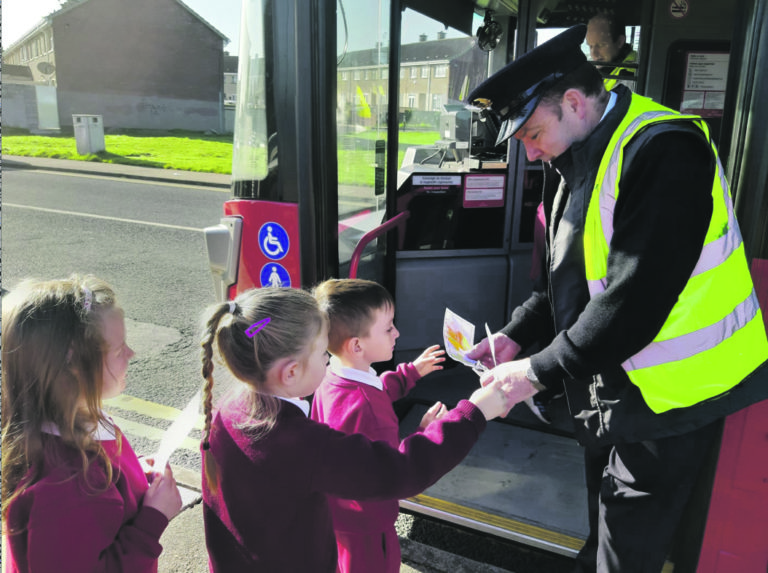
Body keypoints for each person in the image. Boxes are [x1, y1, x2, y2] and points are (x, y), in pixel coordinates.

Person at [465, 25, 768, 573]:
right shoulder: (578, 154)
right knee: (605, 522)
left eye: (531, 133)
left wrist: (533, 373)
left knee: (629, 545)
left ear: (574, 103)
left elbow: (634, 301)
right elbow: (568, 282)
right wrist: (515, 335)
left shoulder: (666, 151)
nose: (529, 152)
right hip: (612, 382)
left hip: (673, 394)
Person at [199, 286, 515, 573]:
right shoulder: (304, 445)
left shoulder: (227, 411)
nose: (330, 362)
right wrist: (475, 412)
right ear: (291, 371)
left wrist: (404, 378)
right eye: (324, 353)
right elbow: (401, 471)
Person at [1, 275, 183, 572]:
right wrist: (154, 518)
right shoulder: (68, 488)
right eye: (120, 347)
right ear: (73, 364)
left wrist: (133, 479)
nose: (131, 354)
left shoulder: (74, 422)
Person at [310, 278, 447, 573]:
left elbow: (375, 389)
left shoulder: (331, 377)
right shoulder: (370, 412)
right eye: (388, 328)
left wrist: (409, 373)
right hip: (369, 531)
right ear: (357, 345)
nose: (397, 332)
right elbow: (396, 474)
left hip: (336, 517)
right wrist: (426, 432)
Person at [586, 13, 637, 90]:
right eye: (590, 46)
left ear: (619, 42)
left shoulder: (630, 76)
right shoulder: (607, 68)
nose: (593, 54)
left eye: (600, 45)